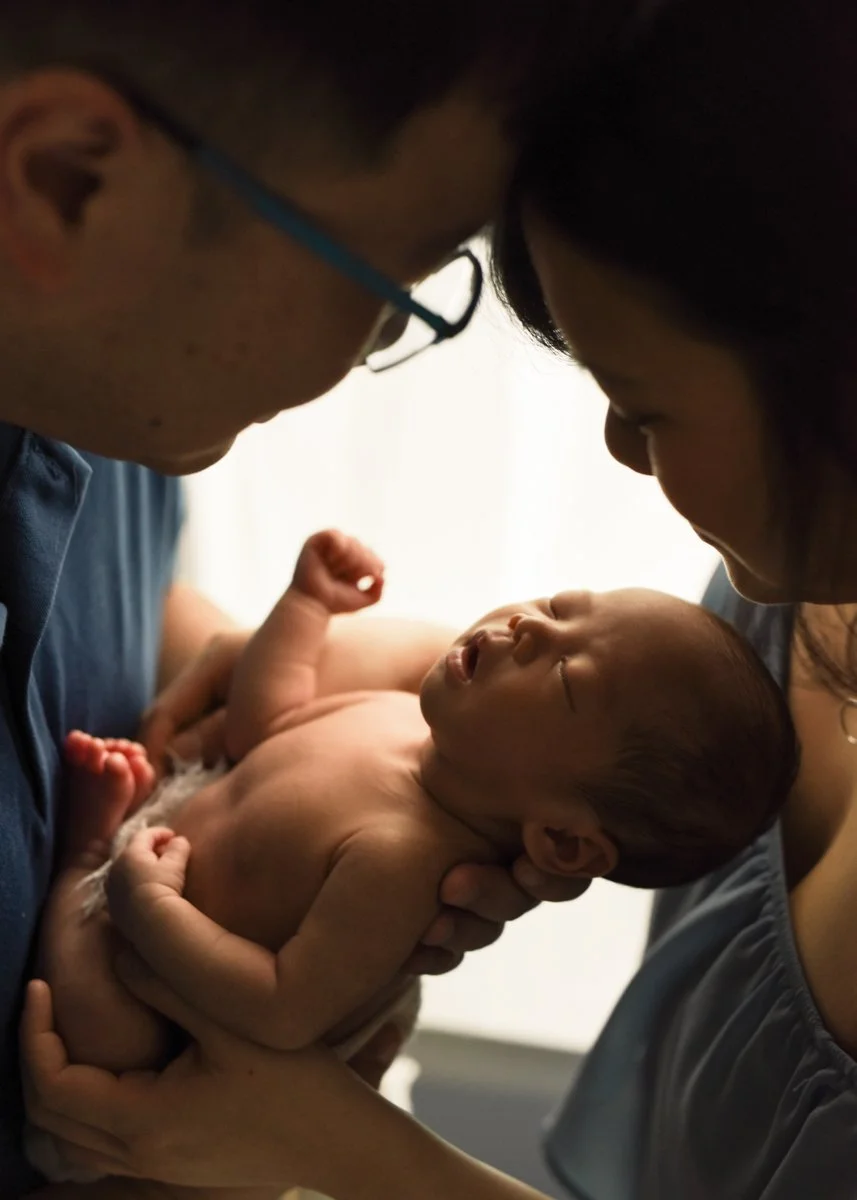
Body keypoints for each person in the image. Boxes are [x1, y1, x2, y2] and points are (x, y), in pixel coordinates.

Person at [21, 0, 857, 1197]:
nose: (619, 451)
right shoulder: (779, 594)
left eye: (643, 403)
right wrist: (283, 688)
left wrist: (332, 1148)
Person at [30, 523, 796, 1182]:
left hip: (157, 979)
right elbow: (263, 727)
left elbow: (281, 1005)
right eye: (563, 606)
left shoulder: (404, 864)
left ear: (560, 838)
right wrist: (303, 612)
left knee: (107, 1029)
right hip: (165, 838)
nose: (527, 625)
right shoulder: (406, 720)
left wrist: (149, 904)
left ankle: (80, 857)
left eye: (564, 673)